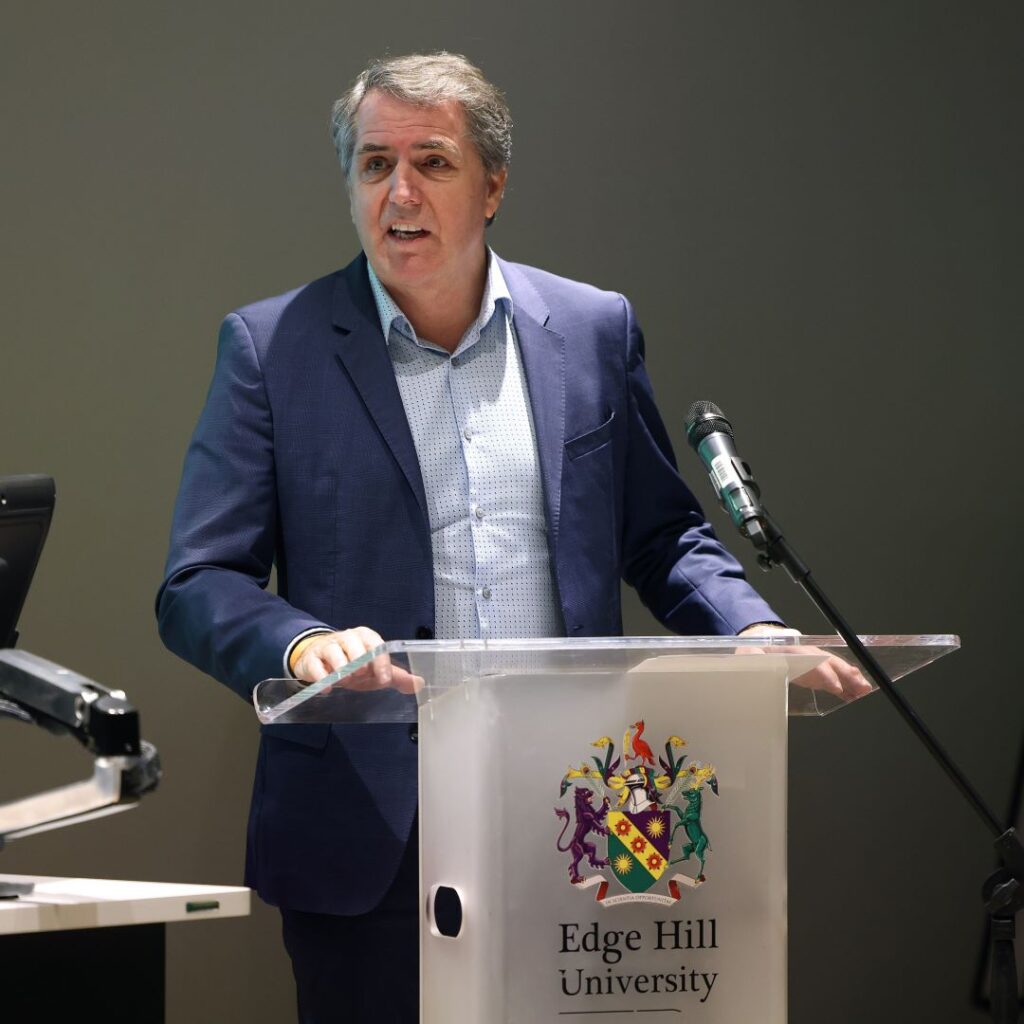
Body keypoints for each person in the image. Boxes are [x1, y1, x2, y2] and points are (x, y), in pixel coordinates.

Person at [157, 52, 865, 1023]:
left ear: (492, 185)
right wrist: (298, 643)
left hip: (581, 806)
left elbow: (660, 534)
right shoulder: (272, 348)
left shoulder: (590, 330)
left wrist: (748, 630)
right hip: (370, 829)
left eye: (432, 162)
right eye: (373, 165)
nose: (398, 192)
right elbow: (197, 580)